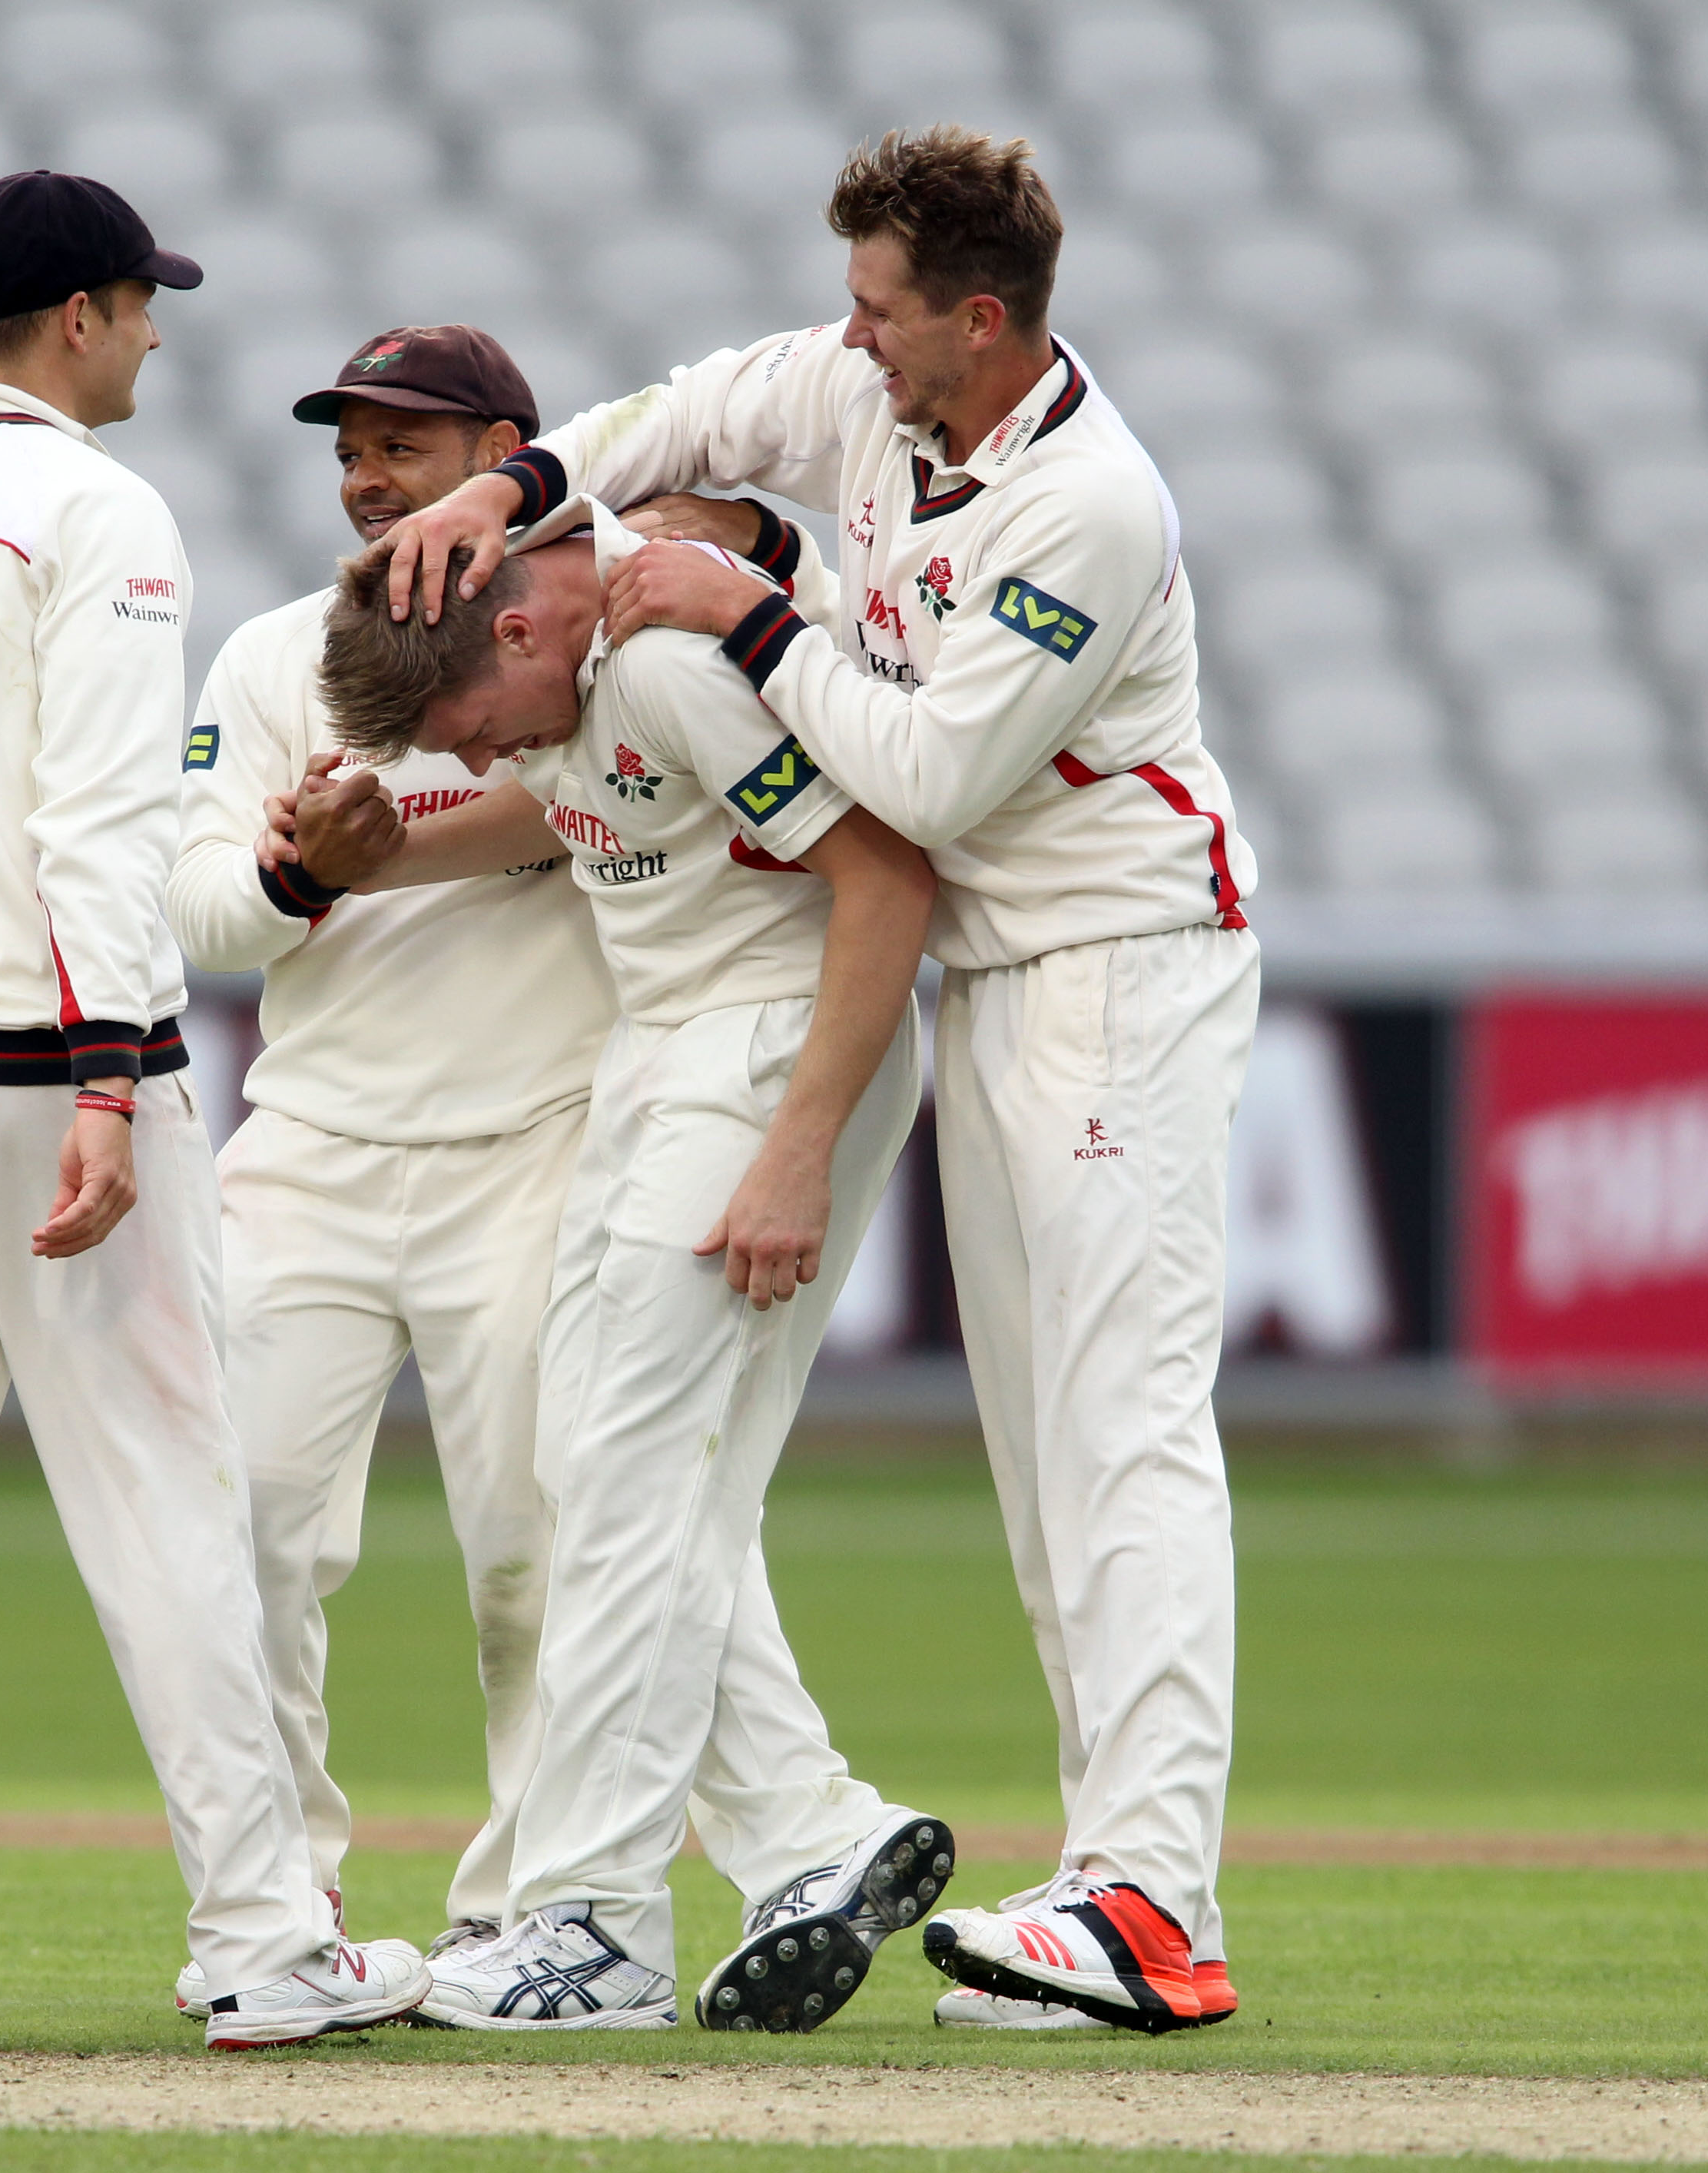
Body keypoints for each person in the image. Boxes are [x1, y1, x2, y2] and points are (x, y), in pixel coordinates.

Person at [379, 128, 1255, 2035]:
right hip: (997, 974)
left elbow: (929, 783)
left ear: (981, 318)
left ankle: (1154, 1898)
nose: (847, 340)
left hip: (1118, 958)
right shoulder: (879, 396)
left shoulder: (1091, 504)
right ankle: (1083, 1884)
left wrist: (750, 608)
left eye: (878, 310)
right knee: (1043, 1452)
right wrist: (515, 488)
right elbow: (677, 415)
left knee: (1117, 1424)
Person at [0, 169, 426, 2058]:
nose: (151, 335)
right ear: (76, 318)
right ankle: (263, 1939)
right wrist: (112, 1077)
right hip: (35, 1053)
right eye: (140, 305)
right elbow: (103, 826)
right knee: (167, 1496)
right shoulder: (94, 508)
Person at [163, 325, 849, 1987]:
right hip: (312, 1147)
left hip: (541, 1136)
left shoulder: (598, 646)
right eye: (348, 451)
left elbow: (702, 746)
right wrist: (302, 876)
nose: (365, 479)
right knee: (239, 1538)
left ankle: (531, 1915)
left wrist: (748, 536)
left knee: (542, 1559)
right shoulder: (280, 656)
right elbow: (195, 914)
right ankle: (283, 1912)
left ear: (503, 461)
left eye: (402, 447)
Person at [309, 493, 953, 2034]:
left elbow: (888, 882)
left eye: (476, 726)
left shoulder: (661, 666)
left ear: (519, 625)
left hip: (765, 1051)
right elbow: (576, 806)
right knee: (590, 1471)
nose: (481, 758)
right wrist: (369, 861)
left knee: (636, 1479)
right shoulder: (560, 692)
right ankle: (812, 1830)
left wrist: (795, 1146)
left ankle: (593, 1923)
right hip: (661, 1054)